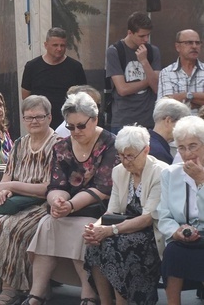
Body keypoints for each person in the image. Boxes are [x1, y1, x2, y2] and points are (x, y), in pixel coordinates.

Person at [25, 92, 117, 305]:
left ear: (94, 120)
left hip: (99, 207)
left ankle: (88, 291)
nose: (75, 132)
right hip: (69, 205)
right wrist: (57, 201)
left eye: (81, 126)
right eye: (70, 127)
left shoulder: (110, 144)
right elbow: (57, 184)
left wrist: (71, 205)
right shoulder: (61, 146)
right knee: (47, 223)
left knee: (81, 228)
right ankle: (36, 292)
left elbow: (103, 187)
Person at [0, 96, 59, 305]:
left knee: (11, 228)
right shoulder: (19, 143)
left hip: (40, 204)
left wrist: (10, 187)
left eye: (38, 117)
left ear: (49, 117)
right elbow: (8, 176)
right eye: (28, 117)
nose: (33, 121)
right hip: (15, 201)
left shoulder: (58, 146)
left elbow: (49, 188)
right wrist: (2, 191)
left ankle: (12, 286)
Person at [83, 126, 168, 305]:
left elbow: (148, 218)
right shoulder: (119, 171)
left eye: (130, 156)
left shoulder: (160, 172)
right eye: (121, 155)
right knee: (94, 245)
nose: (125, 161)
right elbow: (111, 211)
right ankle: (106, 302)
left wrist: (110, 230)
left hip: (151, 233)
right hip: (122, 228)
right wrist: (95, 228)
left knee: (114, 245)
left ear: (146, 150)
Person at [157, 115, 204, 305]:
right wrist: (175, 232)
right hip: (184, 236)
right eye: (181, 148)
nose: (187, 153)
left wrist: (201, 180)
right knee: (173, 252)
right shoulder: (170, 173)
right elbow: (164, 215)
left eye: (193, 146)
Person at [105, 12, 161, 131]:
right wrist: (149, 80)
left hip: (149, 120)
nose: (146, 39)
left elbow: (156, 88)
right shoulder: (115, 51)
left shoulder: (152, 51)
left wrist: (144, 61)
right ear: (130, 33)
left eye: (148, 35)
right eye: (141, 36)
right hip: (123, 120)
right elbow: (123, 89)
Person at [21, 27, 87, 128]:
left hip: (67, 123)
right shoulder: (32, 66)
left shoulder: (75, 67)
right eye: (55, 45)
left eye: (62, 45)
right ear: (46, 45)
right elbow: (26, 96)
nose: (59, 49)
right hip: (40, 123)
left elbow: (83, 96)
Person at [158, 29, 204, 114]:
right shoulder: (167, 73)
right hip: (177, 125)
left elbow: (173, 101)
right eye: (189, 42)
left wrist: (185, 95)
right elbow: (165, 107)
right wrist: (198, 100)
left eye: (197, 43)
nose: (194, 46)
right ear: (177, 47)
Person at [149, 98, 190, 164]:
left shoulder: (146, 142)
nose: (184, 129)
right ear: (168, 120)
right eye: (182, 123)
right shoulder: (158, 152)